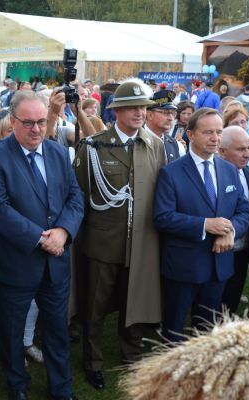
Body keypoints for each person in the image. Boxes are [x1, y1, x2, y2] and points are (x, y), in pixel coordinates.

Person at [0, 91, 84, 400]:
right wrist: (41, 238)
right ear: (12, 122)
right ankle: (17, 386)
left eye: (41, 121)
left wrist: (63, 232)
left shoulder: (57, 152)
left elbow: (75, 198)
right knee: (11, 332)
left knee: (57, 331)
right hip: (17, 263)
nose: (36, 129)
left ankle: (61, 389)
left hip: (57, 263)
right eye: (28, 123)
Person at [74, 79, 165, 390]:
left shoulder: (155, 145)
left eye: (143, 107)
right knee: (94, 308)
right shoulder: (94, 145)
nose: (140, 112)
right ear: (117, 111)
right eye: (133, 107)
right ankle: (93, 362)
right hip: (102, 243)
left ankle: (131, 356)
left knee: (134, 303)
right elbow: (81, 196)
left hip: (141, 243)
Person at [154, 108, 249, 342]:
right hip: (184, 266)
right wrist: (206, 225)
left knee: (207, 330)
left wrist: (230, 231)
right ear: (190, 135)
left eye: (218, 132)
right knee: (174, 330)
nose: (215, 138)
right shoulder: (171, 173)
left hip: (219, 266)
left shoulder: (229, 169)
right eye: (208, 132)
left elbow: (245, 212)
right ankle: (171, 375)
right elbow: (162, 217)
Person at [217, 126, 249, 314]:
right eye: (240, 149)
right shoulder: (211, 176)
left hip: (242, 251)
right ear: (222, 151)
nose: (247, 154)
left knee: (231, 298)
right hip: (216, 250)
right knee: (210, 304)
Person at [145, 89, 184, 163]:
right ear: (149, 115)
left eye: (173, 113)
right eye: (166, 113)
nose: (171, 118)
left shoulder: (177, 146)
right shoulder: (135, 141)